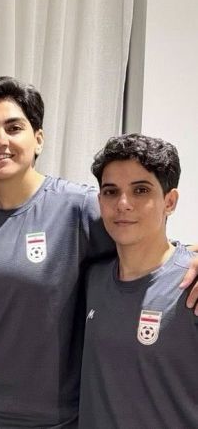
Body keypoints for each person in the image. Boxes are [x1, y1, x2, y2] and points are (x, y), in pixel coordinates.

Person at [0, 77, 198, 428]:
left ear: (38, 138)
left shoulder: (81, 208)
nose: (0, 140)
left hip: (52, 420)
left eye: (14, 127)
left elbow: (146, 242)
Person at [80, 134, 197, 427]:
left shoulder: (191, 286)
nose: (123, 204)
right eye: (110, 192)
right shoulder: (90, 278)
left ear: (169, 201)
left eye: (140, 190)